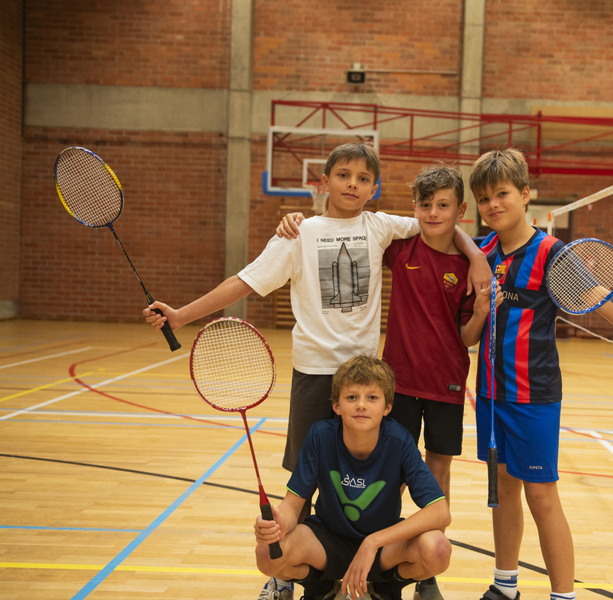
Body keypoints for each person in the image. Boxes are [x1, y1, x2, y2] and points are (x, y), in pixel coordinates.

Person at [143, 143, 491, 600]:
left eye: (363, 178)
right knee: (300, 478)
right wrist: (183, 315)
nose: (353, 184)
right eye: (343, 175)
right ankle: (287, 572)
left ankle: (383, 565)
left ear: (374, 188)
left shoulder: (381, 225)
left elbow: (442, 227)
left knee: (377, 473)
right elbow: (246, 280)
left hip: (365, 376)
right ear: (322, 182)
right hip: (314, 374)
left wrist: (478, 256)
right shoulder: (298, 234)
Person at [460, 148, 613, 600]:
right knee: (502, 492)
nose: (492, 204)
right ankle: (505, 586)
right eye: (483, 198)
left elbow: (601, 295)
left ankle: (563, 595)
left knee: (541, 497)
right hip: (490, 395)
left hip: (534, 396)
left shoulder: (551, 254)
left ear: (525, 195)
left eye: (501, 194)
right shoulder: (481, 251)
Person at [253, 355, 452, 600]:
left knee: (438, 549)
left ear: (387, 407)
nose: (361, 405)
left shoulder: (399, 442)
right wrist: (278, 525)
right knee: (267, 555)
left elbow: (440, 511)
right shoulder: (320, 436)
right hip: (327, 539)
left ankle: (386, 588)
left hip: (382, 545)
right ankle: (321, 589)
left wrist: (373, 542)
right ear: (336, 406)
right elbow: (293, 506)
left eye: (372, 397)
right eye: (351, 397)